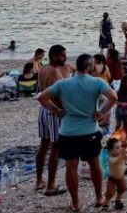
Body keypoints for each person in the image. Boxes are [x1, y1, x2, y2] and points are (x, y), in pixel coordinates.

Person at [37, 53, 118, 211]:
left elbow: (41, 97)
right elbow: (113, 97)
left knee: (71, 167)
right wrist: (102, 112)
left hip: (68, 132)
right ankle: (99, 197)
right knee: (95, 165)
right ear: (88, 67)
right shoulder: (97, 82)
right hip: (90, 131)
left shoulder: (64, 84)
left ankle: (75, 203)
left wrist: (56, 110)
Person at [35, 44, 72, 195]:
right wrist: (65, 110)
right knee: (55, 148)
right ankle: (51, 185)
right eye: (62, 55)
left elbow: (42, 90)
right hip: (54, 112)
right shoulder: (55, 71)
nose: (65, 58)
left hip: (44, 109)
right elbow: (59, 96)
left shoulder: (43, 69)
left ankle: (39, 181)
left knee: (43, 146)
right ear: (54, 56)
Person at [103, 138, 127, 211]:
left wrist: (125, 154)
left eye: (120, 147)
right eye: (117, 148)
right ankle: (105, 204)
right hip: (112, 178)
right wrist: (122, 155)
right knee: (110, 192)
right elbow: (115, 162)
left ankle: (118, 201)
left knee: (122, 189)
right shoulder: (110, 157)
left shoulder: (121, 155)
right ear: (110, 150)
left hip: (121, 177)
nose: (119, 149)